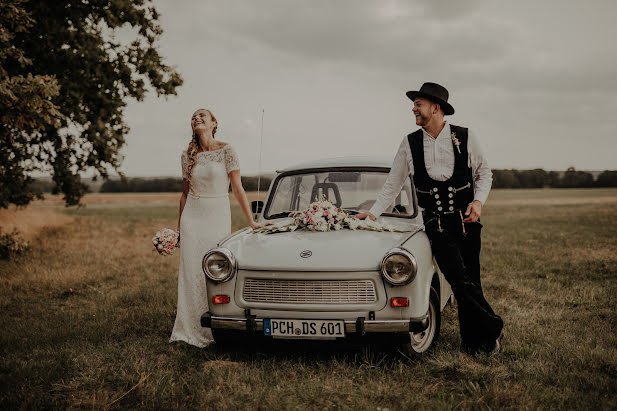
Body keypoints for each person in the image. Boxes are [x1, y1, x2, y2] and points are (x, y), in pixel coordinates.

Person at [357, 82, 504, 354]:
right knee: (458, 280)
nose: (413, 109)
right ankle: (493, 326)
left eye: (418, 104)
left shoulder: (466, 136)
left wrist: (478, 202)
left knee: (471, 279)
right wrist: (374, 212)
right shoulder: (409, 143)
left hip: (467, 222)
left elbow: (485, 174)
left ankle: (476, 343)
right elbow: (393, 183)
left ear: (436, 108)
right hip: (435, 226)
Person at [170, 108, 269, 347]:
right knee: (191, 271)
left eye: (202, 115)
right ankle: (190, 328)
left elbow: (237, 188)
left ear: (214, 123)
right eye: (193, 116)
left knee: (216, 268)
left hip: (217, 214)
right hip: (192, 216)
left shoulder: (227, 150)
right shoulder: (187, 155)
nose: (197, 118)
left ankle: (219, 324)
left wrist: (251, 222)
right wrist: (179, 231)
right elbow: (184, 195)